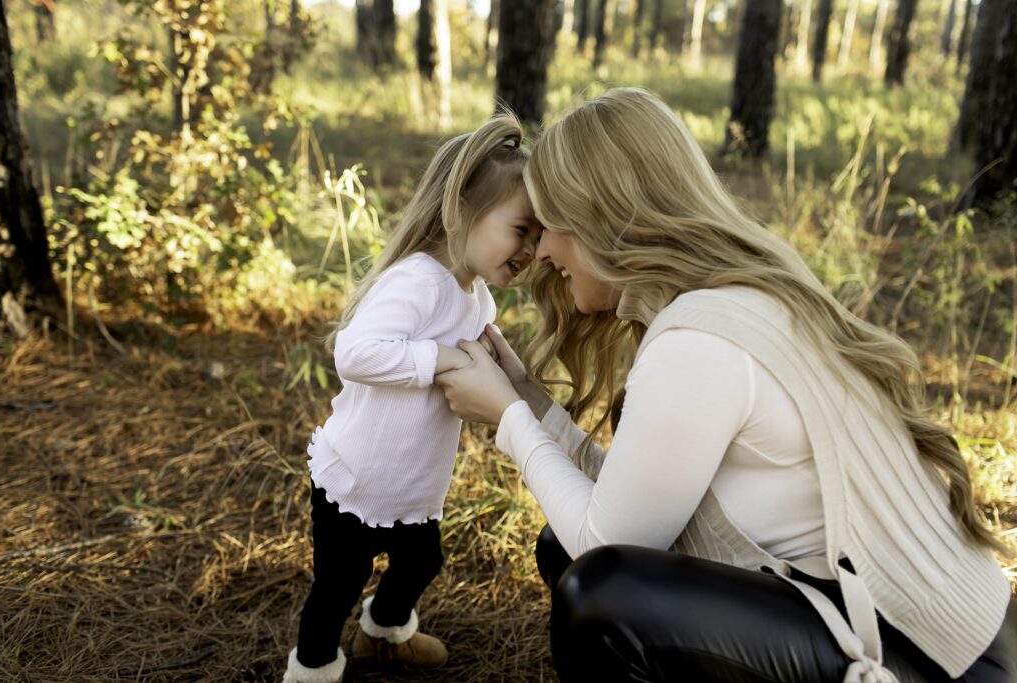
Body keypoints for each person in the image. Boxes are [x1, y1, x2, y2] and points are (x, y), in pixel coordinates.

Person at [435, 87, 1016, 682]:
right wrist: (527, 399)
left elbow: (603, 540)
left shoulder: (699, 344)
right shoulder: (731, 301)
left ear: (604, 218)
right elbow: (632, 503)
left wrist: (510, 420)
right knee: (565, 547)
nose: (543, 250)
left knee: (601, 597)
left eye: (552, 224)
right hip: (916, 626)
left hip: (933, 658)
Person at [282, 113, 542, 683]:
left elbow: (474, 368)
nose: (532, 248)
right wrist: (440, 360)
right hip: (357, 478)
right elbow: (355, 353)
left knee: (423, 560)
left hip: (411, 483)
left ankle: (383, 634)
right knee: (338, 584)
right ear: (463, 212)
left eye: (540, 235)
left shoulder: (476, 297)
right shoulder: (418, 280)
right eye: (522, 229)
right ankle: (314, 667)